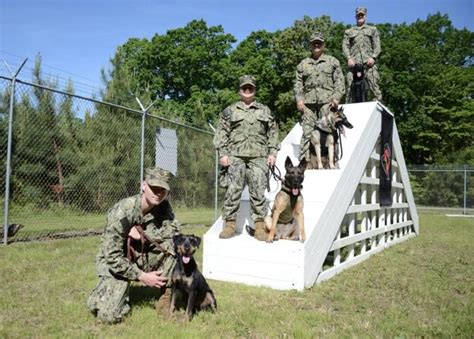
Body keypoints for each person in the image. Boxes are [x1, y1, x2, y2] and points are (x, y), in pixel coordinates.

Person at [87, 167, 180, 324]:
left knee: (174, 247)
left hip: (141, 254)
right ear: (144, 185)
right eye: (154, 188)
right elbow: (112, 256)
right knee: (109, 316)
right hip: (117, 262)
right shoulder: (122, 211)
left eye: (163, 190)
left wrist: (143, 234)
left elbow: (174, 233)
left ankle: (166, 296)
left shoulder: (164, 207)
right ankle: (99, 296)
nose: (159, 193)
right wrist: (142, 276)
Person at [214, 75, 279, 241]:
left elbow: (273, 132)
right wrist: (223, 153)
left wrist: (272, 153)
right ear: (239, 90)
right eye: (244, 88)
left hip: (259, 156)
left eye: (250, 88)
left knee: (258, 190)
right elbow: (222, 132)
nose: (247, 91)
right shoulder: (230, 111)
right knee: (233, 190)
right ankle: (229, 225)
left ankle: (259, 226)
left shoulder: (265, 110)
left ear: (255, 90)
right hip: (235, 156)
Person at [294, 31, 345, 162]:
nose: (316, 45)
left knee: (329, 132)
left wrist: (336, 98)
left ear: (323, 44)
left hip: (327, 103)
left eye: (319, 43)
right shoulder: (303, 64)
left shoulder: (332, 62)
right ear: (310, 45)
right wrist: (299, 99)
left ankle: (332, 160)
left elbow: (339, 81)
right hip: (308, 104)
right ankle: (303, 162)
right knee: (307, 132)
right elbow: (298, 84)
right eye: (314, 43)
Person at [342, 6, 382, 102]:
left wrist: (373, 57)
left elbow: (377, 46)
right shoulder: (349, 31)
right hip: (354, 65)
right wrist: (349, 58)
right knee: (349, 87)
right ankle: (348, 109)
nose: (360, 16)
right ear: (355, 16)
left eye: (362, 15)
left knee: (374, 86)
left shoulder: (372, 29)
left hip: (368, 64)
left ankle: (376, 106)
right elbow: (345, 46)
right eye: (358, 15)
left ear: (365, 16)